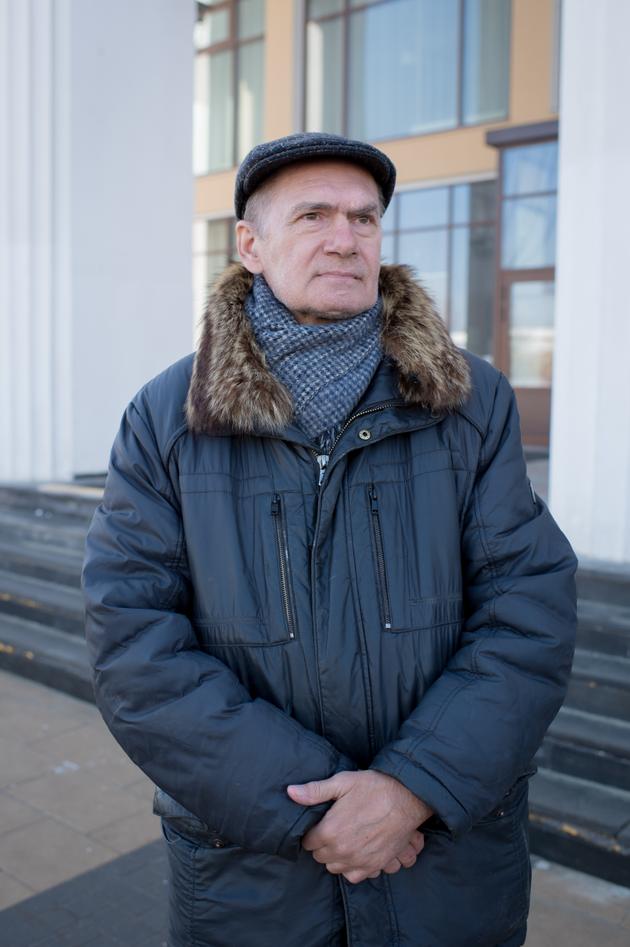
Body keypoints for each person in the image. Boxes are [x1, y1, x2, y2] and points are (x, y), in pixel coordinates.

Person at [82, 132, 577, 947]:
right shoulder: (168, 415)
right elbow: (134, 645)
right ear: (250, 244)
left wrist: (410, 787)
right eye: (313, 214)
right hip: (252, 877)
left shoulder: (470, 398)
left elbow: (529, 610)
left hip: (443, 867)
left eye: (364, 218)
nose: (346, 238)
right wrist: (309, 807)